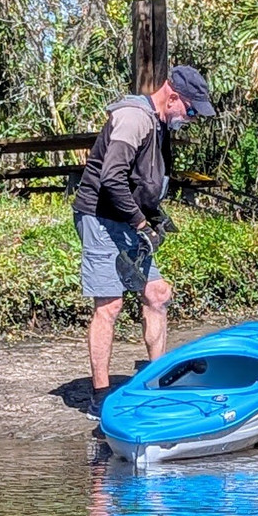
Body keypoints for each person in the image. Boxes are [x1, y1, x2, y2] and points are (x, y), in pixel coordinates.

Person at [72, 65, 216, 420]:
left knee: (157, 294)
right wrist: (140, 221)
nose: (192, 117)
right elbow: (111, 179)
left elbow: (144, 181)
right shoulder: (134, 118)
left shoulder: (159, 124)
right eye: (191, 110)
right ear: (172, 97)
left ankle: (159, 379)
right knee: (110, 306)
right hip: (100, 217)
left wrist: (154, 215)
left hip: (128, 221)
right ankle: (101, 395)